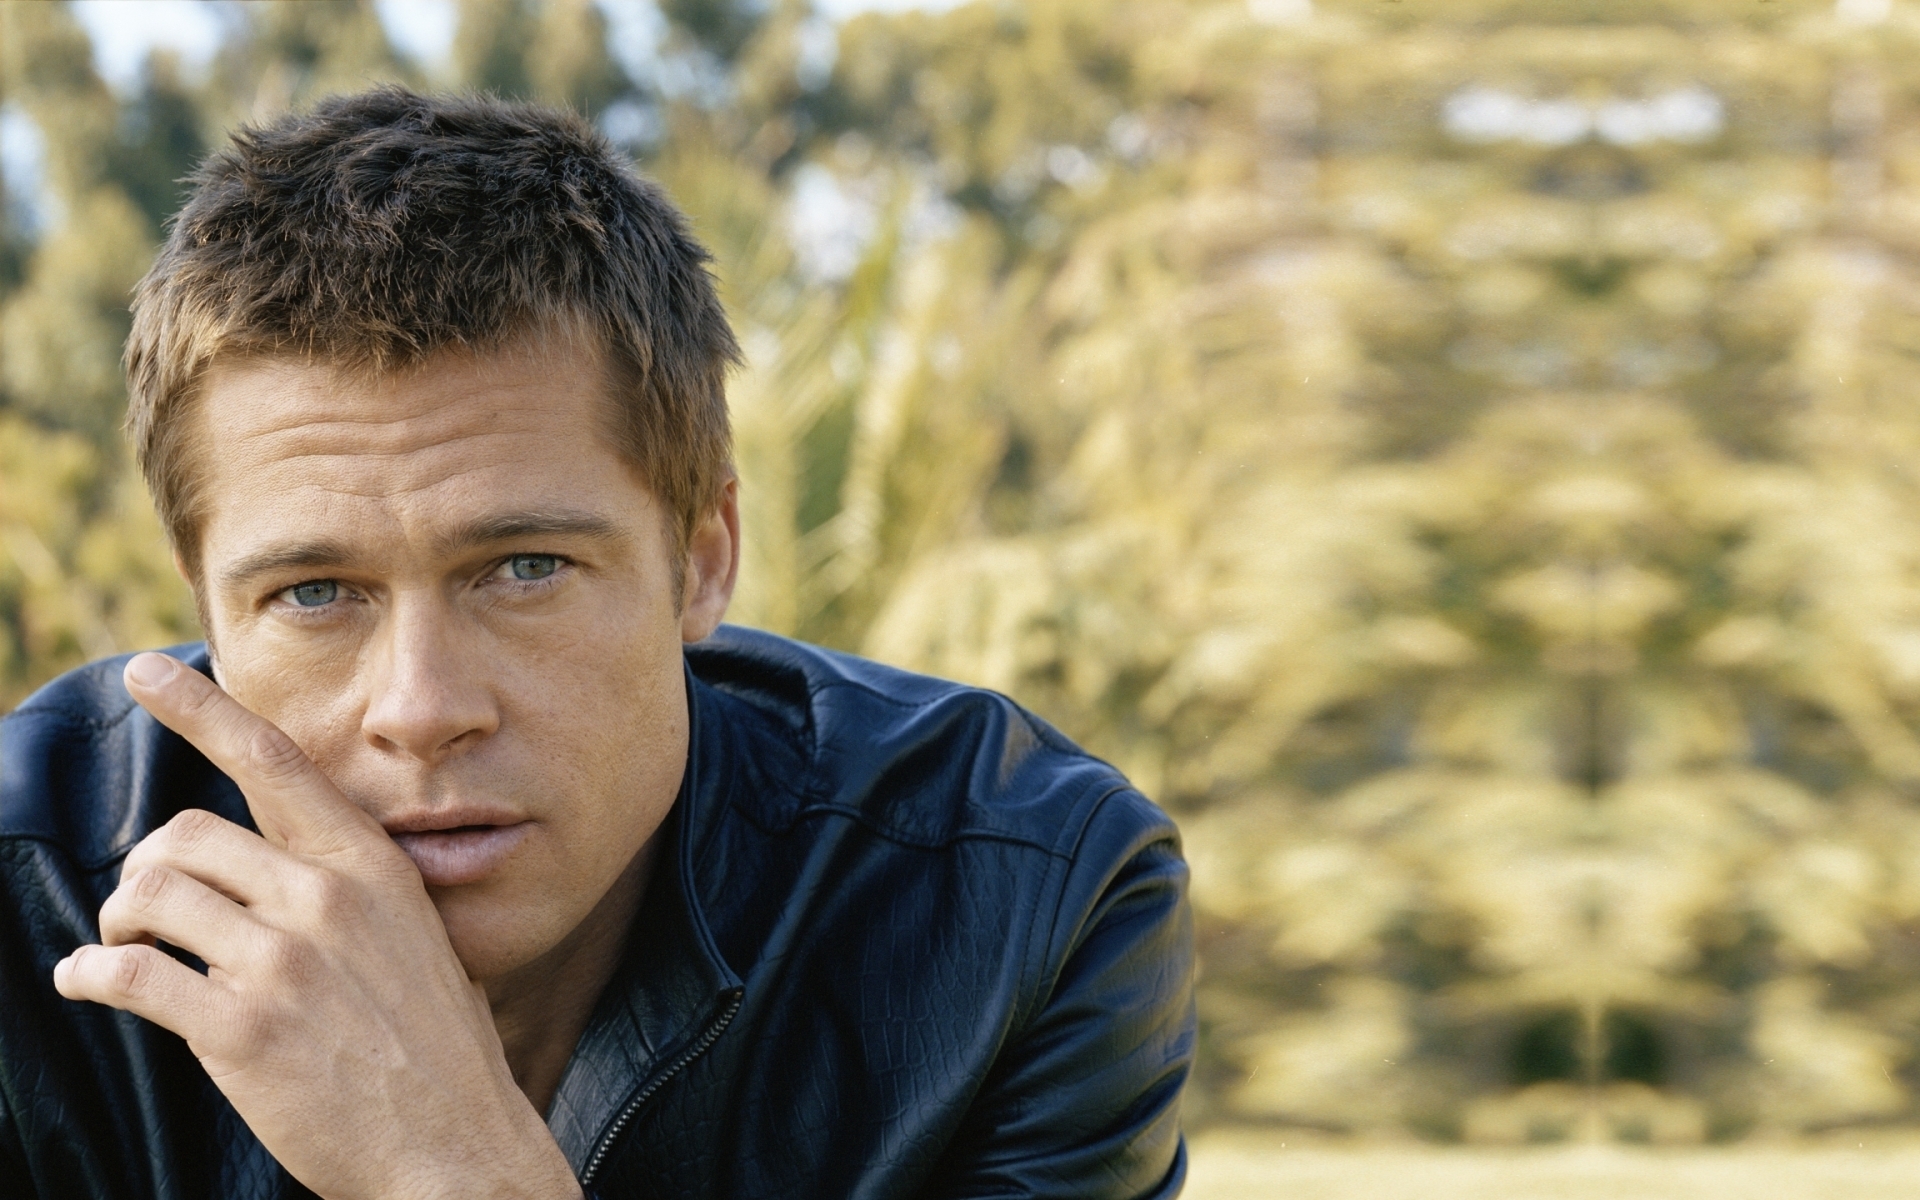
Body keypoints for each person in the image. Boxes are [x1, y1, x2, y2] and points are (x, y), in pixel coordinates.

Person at [0, 87, 1194, 1199]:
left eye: (526, 569)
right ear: (207, 610)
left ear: (702, 558)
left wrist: (449, 1167)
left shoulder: (1025, 906)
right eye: (315, 592)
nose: (422, 708)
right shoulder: (22, 907)